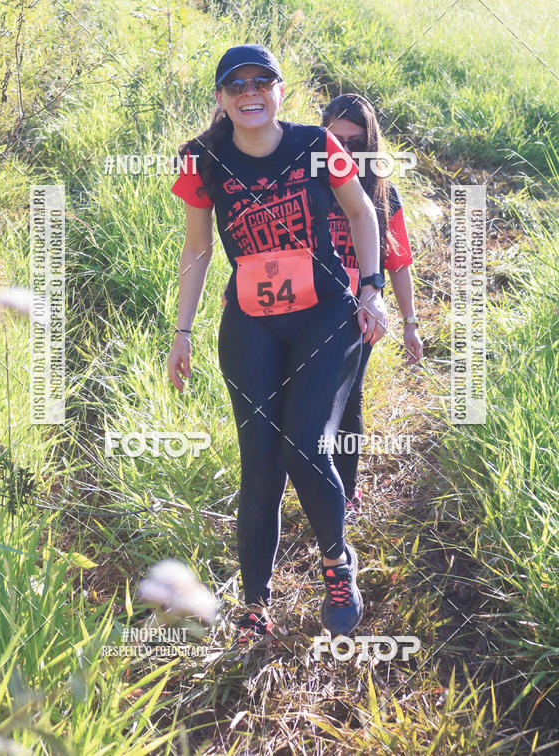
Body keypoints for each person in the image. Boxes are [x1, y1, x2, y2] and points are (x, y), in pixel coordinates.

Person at [168, 44, 388, 644]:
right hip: (251, 324)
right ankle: (256, 602)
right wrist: (181, 333)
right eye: (234, 85)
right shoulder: (202, 161)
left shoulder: (318, 147)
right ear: (220, 98)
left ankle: (338, 565)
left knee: (303, 447)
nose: (248, 93)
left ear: (279, 91)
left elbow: (364, 213)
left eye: (260, 82)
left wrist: (371, 289)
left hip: (326, 317)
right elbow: (197, 250)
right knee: (259, 467)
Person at [322, 94, 423, 509]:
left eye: (355, 142)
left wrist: (410, 323)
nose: (344, 150)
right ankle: (310, 482)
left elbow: (398, 263)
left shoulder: (384, 194)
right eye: (335, 139)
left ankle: (343, 493)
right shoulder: (307, 182)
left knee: (349, 401)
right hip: (307, 307)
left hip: (361, 313)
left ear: (370, 145)